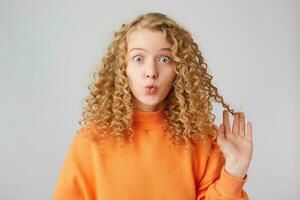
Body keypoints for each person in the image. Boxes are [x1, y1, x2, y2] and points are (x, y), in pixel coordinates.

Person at [53, 12, 253, 200]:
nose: (151, 71)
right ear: (122, 69)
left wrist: (234, 171)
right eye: (138, 58)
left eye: (164, 59)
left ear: (179, 70)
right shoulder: (91, 141)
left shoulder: (201, 141)